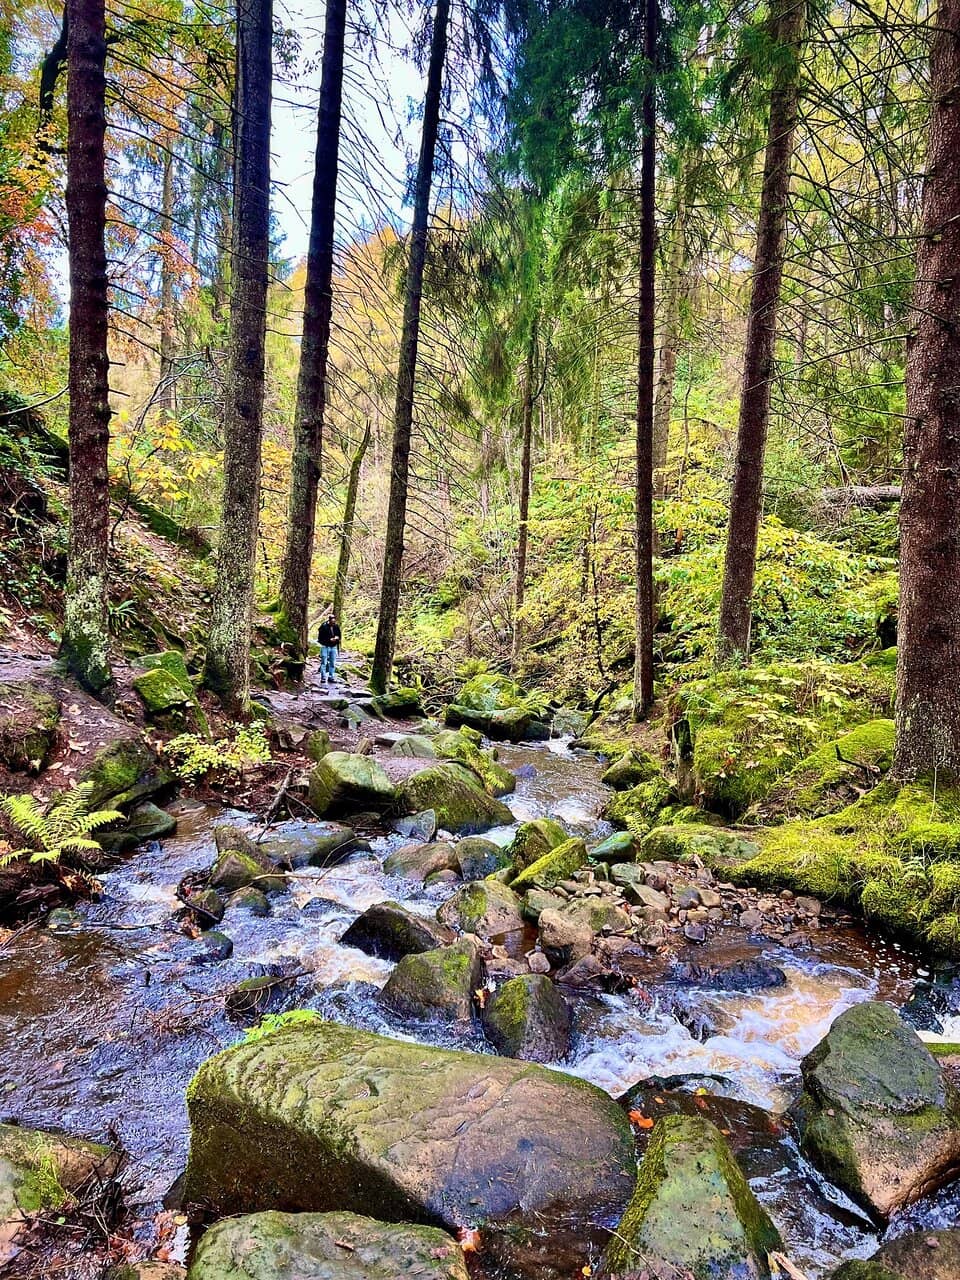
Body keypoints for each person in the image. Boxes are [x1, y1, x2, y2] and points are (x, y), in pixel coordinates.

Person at [317, 613, 342, 684]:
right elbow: (320, 638)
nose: (333, 623)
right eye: (332, 622)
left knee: (333, 662)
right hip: (325, 646)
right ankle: (323, 677)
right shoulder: (323, 627)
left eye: (334, 622)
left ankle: (331, 677)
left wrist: (337, 638)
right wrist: (329, 640)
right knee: (324, 662)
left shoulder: (336, 626)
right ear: (329, 620)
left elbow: (339, 635)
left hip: (333, 646)